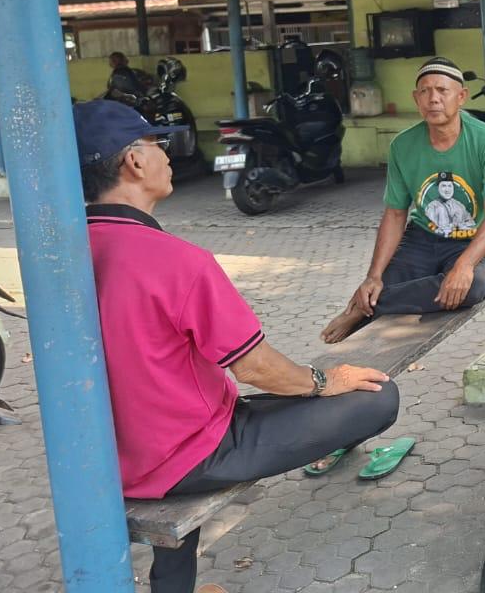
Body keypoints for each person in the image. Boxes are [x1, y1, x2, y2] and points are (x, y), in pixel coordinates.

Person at [73, 99, 399, 593]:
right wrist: (323, 380)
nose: (166, 155)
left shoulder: (65, 254)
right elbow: (255, 367)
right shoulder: (176, 261)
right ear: (134, 161)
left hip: (109, 454)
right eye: (157, 144)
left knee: (229, 412)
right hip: (189, 453)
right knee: (379, 396)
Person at [322, 57, 485, 344]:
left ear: (461, 97)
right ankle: (371, 304)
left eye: (442, 90)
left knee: (473, 287)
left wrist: (463, 266)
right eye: (425, 91)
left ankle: (363, 309)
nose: (433, 99)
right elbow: (395, 214)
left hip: (472, 239)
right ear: (416, 98)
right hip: (422, 238)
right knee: (377, 286)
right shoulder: (402, 145)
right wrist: (374, 276)